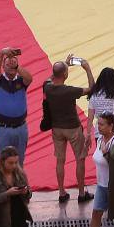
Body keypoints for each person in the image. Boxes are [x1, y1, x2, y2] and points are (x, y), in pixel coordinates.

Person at [43, 55, 95, 204]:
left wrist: (64, 64)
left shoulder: (48, 87)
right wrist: (87, 68)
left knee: (60, 160)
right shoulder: (70, 91)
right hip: (72, 128)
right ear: (65, 75)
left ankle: (61, 192)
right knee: (80, 159)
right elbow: (91, 88)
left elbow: (49, 78)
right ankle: (81, 192)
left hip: (57, 129)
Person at [73, 112, 114, 227]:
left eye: (102, 124)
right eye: (98, 124)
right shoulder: (100, 140)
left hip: (113, 186)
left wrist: (106, 154)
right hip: (101, 185)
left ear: (111, 126)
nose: (98, 127)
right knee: (96, 214)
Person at [0, 47, 32, 164]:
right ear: (3, 66)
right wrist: (2, 52)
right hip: (1, 129)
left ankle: (18, 183)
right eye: (7, 62)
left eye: (14, 61)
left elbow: (30, 78)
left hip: (20, 128)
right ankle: (2, 183)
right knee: (2, 164)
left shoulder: (21, 81)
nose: (11, 63)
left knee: (19, 163)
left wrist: (16, 66)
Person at [86, 67, 114, 143]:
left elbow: (90, 119)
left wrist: (88, 134)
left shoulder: (94, 95)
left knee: (101, 154)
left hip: (99, 133)